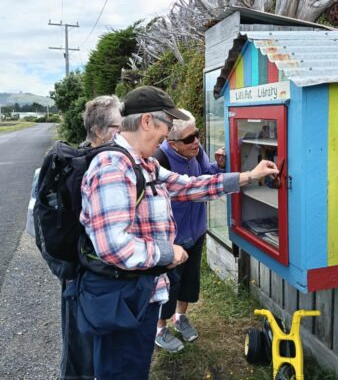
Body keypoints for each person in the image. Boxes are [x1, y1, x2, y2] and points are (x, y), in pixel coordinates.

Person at [76, 85, 279, 380]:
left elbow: (187, 186)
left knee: (133, 366)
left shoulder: (142, 163)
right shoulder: (112, 167)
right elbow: (114, 246)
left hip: (137, 294)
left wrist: (248, 176)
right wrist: (168, 253)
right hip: (119, 298)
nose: (168, 134)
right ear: (147, 121)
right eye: (167, 125)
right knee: (120, 370)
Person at [60, 95, 122, 380]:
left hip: (86, 270)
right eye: (117, 127)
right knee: (80, 353)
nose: (121, 133)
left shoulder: (87, 158)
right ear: (99, 131)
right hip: (82, 273)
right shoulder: (88, 166)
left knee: (93, 347)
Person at [153, 109, 225, 352]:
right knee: (168, 285)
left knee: (190, 279)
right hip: (172, 239)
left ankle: (180, 317)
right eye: (188, 139)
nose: (196, 141)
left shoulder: (196, 151)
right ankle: (160, 328)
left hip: (196, 231)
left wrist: (219, 166)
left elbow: (206, 176)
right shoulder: (158, 161)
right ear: (172, 144)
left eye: (197, 134)